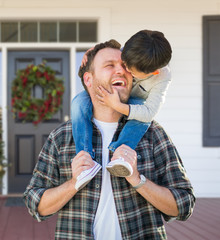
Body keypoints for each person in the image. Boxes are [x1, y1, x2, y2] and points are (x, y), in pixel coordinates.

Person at [23, 40, 195, 239]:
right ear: (88, 79)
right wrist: (73, 183)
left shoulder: (153, 134)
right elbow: (36, 206)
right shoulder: (61, 138)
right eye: (109, 65)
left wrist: (137, 179)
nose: (120, 71)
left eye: (124, 66)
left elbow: (183, 205)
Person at [72, 30, 172, 181]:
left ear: (154, 72)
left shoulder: (162, 77)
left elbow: (149, 112)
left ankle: (121, 154)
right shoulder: (132, 50)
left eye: (129, 70)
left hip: (134, 104)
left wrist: (117, 105)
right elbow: (108, 53)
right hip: (112, 95)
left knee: (142, 119)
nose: (123, 70)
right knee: (78, 103)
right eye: (124, 62)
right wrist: (92, 52)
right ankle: (84, 158)